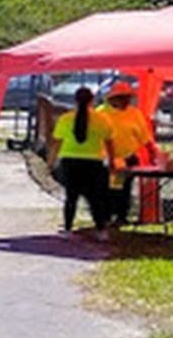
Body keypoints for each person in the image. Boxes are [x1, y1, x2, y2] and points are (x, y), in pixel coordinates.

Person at [46, 85, 113, 238]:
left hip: (70, 161)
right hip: (94, 161)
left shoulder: (65, 119)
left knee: (71, 196)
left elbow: (56, 143)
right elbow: (109, 142)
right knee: (95, 198)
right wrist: (112, 160)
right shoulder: (101, 119)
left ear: (75, 100)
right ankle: (101, 229)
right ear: (92, 100)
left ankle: (68, 228)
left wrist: (51, 161)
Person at [102, 79, 157, 227]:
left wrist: (152, 151)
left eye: (128, 98)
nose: (126, 101)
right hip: (107, 158)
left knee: (123, 188)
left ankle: (121, 216)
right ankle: (106, 216)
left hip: (128, 157)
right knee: (108, 188)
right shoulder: (101, 113)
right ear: (113, 99)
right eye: (122, 98)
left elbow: (144, 136)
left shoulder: (134, 113)